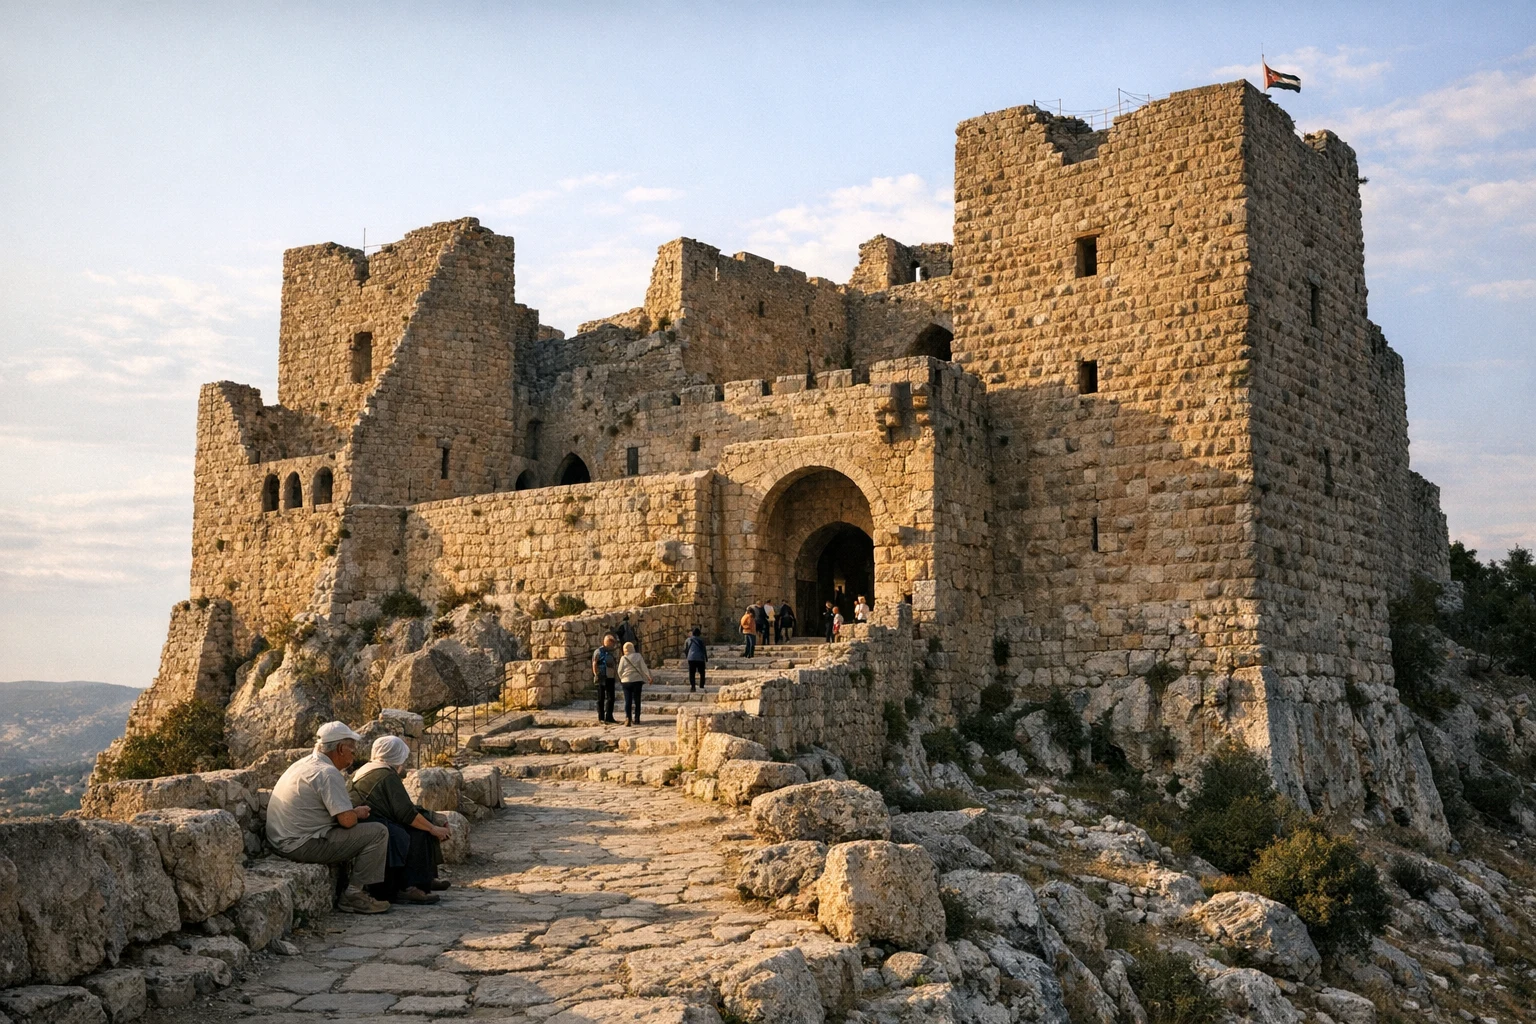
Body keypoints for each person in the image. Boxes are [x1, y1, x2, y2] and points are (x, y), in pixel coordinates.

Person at [265, 721, 390, 915]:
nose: (353, 755)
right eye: (352, 750)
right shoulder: (328, 773)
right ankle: (354, 896)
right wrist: (357, 813)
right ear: (341, 748)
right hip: (300, 844)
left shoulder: (305, 764)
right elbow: (347, 821)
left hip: (278, 839)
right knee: (378, 832)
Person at [347, 736, 452, 905]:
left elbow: (403, 806)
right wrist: (433, 828)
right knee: (417, 831)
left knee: (425, 820)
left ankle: (425, 878)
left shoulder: (370, 769)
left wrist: (432, 818)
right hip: (374, 822)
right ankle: (409, 887)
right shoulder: (386, 775)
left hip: (376, 818)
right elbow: (405, 813)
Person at [617, 640, 652, 725]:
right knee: (637, 700)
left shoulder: (623, 658)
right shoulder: (638, 656)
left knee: (627, 700)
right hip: (637, 681)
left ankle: (628, 718)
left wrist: (622, 678)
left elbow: (619, 670)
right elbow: (644, 668)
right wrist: (649, 677)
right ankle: (637, 718)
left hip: (626, 681)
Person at [592, 634, 619, 723]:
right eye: (612, 642)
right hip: (602, 677)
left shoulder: (611, 651)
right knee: (601, 698)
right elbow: (594, 663)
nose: (613, 645)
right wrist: (596, 674)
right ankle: (601, 717)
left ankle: (609, 716)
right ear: (608, 642)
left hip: (610, 677)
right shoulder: (598, 652)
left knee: (611, 697)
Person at [685, 627, 708, 692]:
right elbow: (704, 649)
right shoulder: (701, 640)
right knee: (702, 672)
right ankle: (701, 685)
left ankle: (693, 687)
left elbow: (685, 649)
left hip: (691, 658)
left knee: (692, 673)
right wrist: (706, 658)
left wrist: (688, 656)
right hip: (700, 658)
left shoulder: (688, 640)